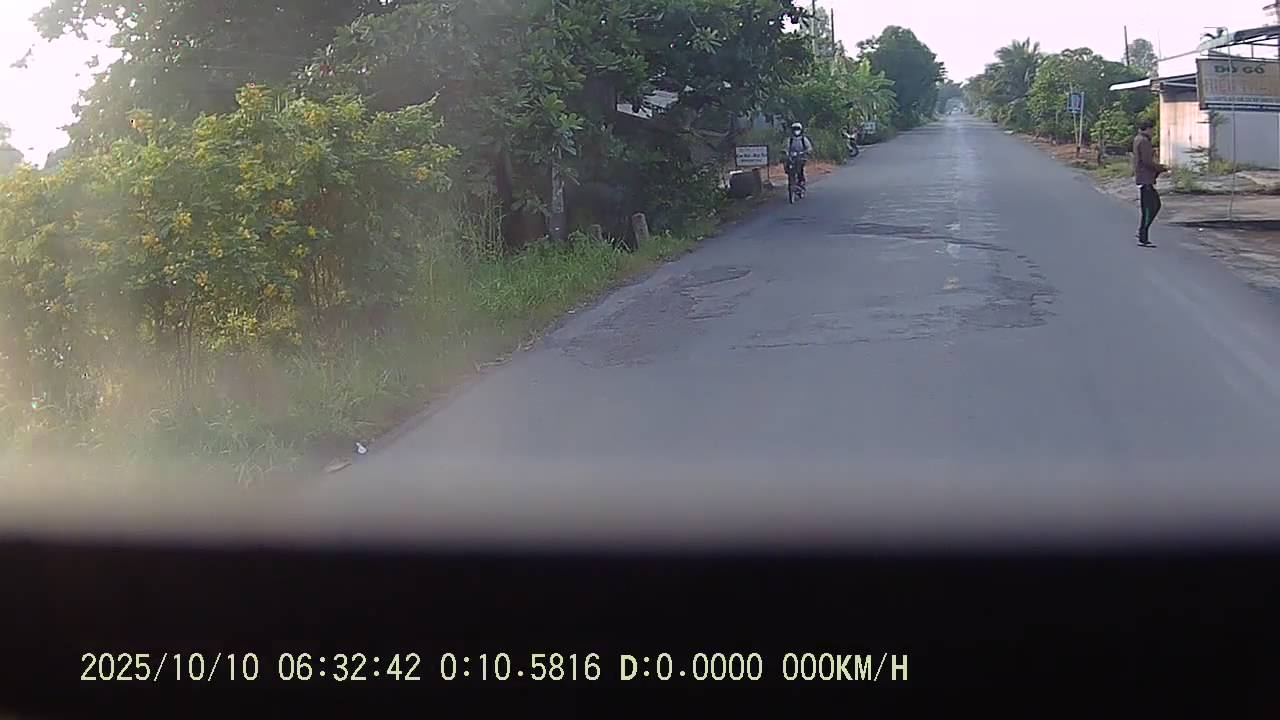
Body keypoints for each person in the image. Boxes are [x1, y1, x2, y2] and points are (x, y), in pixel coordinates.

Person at [1133, 119, 1168, 247]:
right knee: (1150, 208)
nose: (1153, 132)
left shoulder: (1138, 139)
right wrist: (1160, 168)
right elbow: (1147, 161)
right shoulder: (1143, 141)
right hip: (1145, 179)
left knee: (1153, 206)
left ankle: (1142, 232)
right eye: (1152, 129)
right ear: (1148, 129)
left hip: (1144, 178)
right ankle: (1143, 236)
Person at [787, 122, 814, 189]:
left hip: (801, 157)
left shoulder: (803, 139)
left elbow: (809, 148)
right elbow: (786, 148)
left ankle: (801, 180)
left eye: (797, 129)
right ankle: (791, 181)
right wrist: (786, 153)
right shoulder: (790, 139)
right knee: (789, 168)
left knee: (800, 168)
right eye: (794, 129)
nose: (796, 130)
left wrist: (806, 152)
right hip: (792, 157)